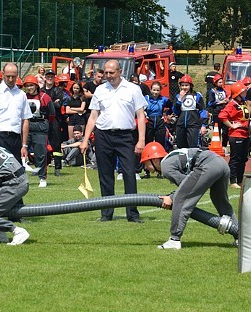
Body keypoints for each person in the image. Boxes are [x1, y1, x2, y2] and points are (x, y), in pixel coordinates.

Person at [79, 59, 147, 223]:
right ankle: (106, 213)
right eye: (106, 73)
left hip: (125, 136)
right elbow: (93, 116)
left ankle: (132, 214)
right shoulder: (100, 90)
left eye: (111, 73)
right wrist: (85, 139)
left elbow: (140, 115)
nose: (108, 76)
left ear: (120, 71)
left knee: (129, 174)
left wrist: (141, 140)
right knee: (105, 175)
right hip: (103, 136)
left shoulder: (133, 89)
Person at [139, 142, 238, 250]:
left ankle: (174, 240)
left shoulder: (165, 166)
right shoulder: (172, 156)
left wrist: (171, 197)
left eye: (145, 163)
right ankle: (240, 236)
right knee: (221, 201)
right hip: (221, 163)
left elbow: (185, 186)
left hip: (208, 165)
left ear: (154, 159)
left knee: (180, 199)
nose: (145, 167)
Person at [0, 63, 32, 164]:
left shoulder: (21, 95)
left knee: (16, 172)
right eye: (8, 76)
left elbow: (25, 120)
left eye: (13, 76)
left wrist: (24, 145)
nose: (10, 79)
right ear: (3, 74)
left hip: (15, 138)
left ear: (17, 75)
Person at [24, 75, 55, 188]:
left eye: (31, 85)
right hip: (26, 125)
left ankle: (42, 177)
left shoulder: (44, 97)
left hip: (41, 126)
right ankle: (21, 177)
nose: (29, 88)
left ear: (36, 85)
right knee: (22, 152)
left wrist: (46, 125)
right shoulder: (23, 97)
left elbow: (51, 114)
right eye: (27, 86)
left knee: (40, 153)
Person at [218, 82, 250, 188]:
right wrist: (232, 126)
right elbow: (222, 116)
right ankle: (232, 181)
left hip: (245, 134)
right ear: (238, 94)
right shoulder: (232, 104)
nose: (245, 93)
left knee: (243, 159)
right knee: (235, 159)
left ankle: (240, 180)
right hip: (236, 135)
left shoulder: (242, 103)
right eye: (243, 91)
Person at [171, 74, 206, 148]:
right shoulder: (178, 96)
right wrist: (180, 99)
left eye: (186, 85)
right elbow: (175, 110)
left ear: (190, 86)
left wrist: (203, 125)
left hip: (193, 125)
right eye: (182, 85)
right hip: (181, 125)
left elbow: (202, 110)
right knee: (181, 147)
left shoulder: (197, 96)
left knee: (193, 146)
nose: (184, 87)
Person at [42, 69, 66, 175]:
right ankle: (42, 167)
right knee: (41, 143)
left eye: (52, 76)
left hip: (55, 119)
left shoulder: (58, 91)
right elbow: (41, 106)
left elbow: (58, 105)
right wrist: (52, 101)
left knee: (56, 144)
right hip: (43, 119)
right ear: (45, 77)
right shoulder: (41, 90)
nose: (50, 78)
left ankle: (57, 168)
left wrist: (47, 102)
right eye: (48, 76)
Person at [145, 81, 173, 152]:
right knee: (148, 141)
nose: (155, 92)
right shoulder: (146, 98)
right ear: (151, 90)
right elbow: (140, 107)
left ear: (160, 90)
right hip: (149, 121)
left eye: (158, 90)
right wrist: (144, 113)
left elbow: (172, 107)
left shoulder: (163, 99)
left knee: (160, 142)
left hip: (159, 121)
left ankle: (160, 157)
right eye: (154, 90)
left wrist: (166, 114)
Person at [207, 74, 230, 154]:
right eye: (219, 82)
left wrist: (226, 100)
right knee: (217, 129)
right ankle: (218, 145)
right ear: (215, 83)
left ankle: (224, 145)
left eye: (222, 82)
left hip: (224, 112)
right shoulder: (212, 92)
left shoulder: (224, 91)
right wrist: (220, 102)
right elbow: (210, 103)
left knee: (226, 130)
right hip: (216, 112)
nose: (221, 83)